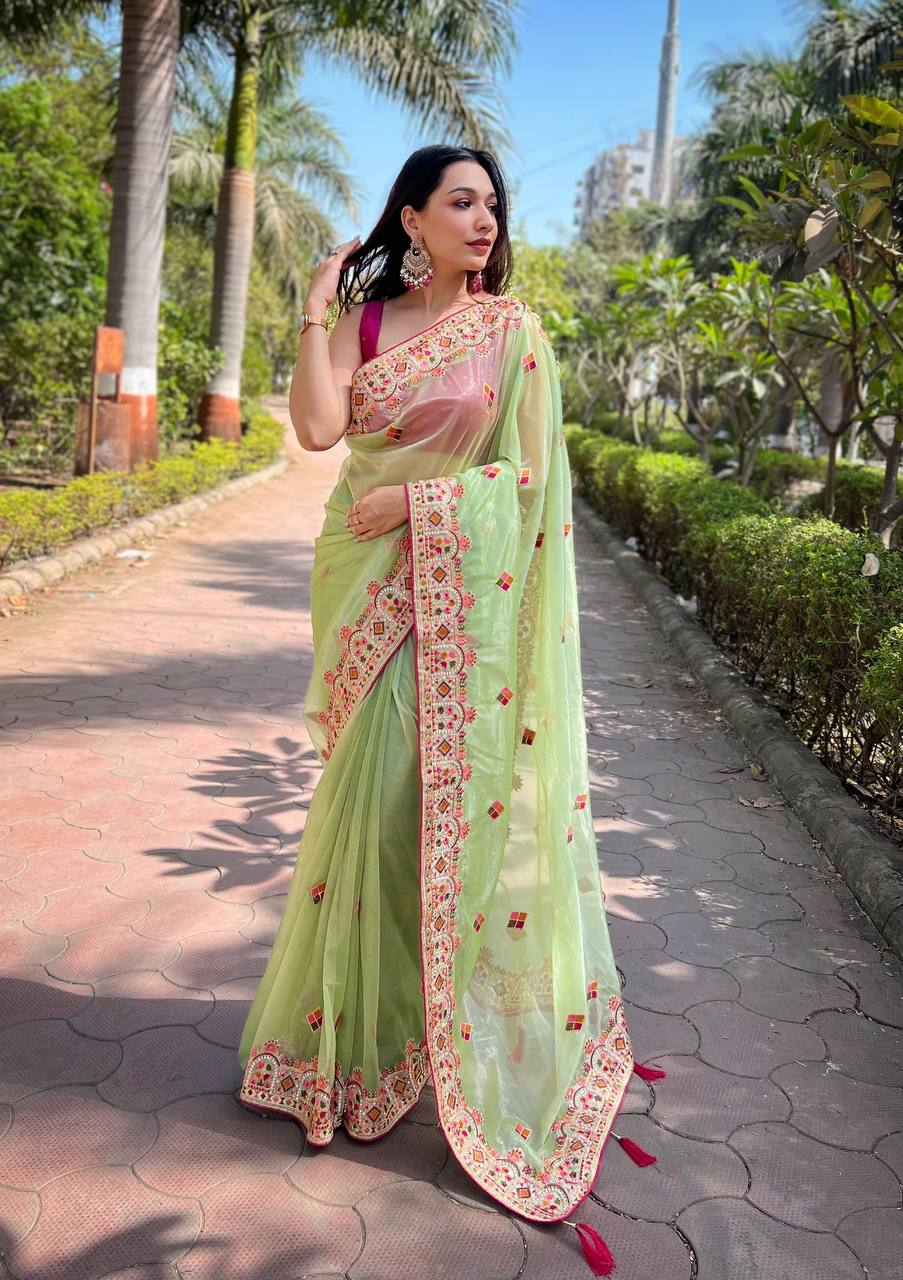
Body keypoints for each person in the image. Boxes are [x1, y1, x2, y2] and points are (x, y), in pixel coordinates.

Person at [236, 144, 665, 1276]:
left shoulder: (512, 332)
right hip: (361, 581)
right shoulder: (368, 321)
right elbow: (318, 432)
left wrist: (418, 501)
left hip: (449, 589)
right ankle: (346, 1049)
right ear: (412, 219)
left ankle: (409, 1039)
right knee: (367, 812)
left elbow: (526, 480)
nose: (484, 220)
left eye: (492, 205)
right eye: (461, 202)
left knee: (414, 812)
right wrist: (317, 310)